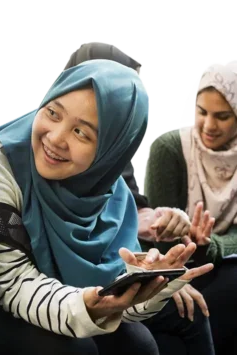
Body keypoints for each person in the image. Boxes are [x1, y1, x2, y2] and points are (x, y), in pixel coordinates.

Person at [0, 56, 213, 355]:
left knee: (141, 343)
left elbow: (115, 298)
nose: (55, 138)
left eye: (82, 132)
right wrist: (87, 307)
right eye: (52, 112)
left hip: (61, 300)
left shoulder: (107, 188)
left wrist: (153, 284)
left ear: (112, 149)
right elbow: (13, 285)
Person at [62, 40, 216, 355]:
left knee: (190, 311)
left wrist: (159, 223)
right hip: (63, 280)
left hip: (116, 269)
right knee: (138, 342)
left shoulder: (116, 141)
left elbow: (134, 207)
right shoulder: (51, 141)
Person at [143, 61, 237, 354]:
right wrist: (184, 235)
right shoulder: (170, 148)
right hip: (169, 264)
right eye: (202, 112)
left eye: (222, 116)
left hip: (220, 261)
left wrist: (209, 245)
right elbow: (156, 233)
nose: (209, 125)